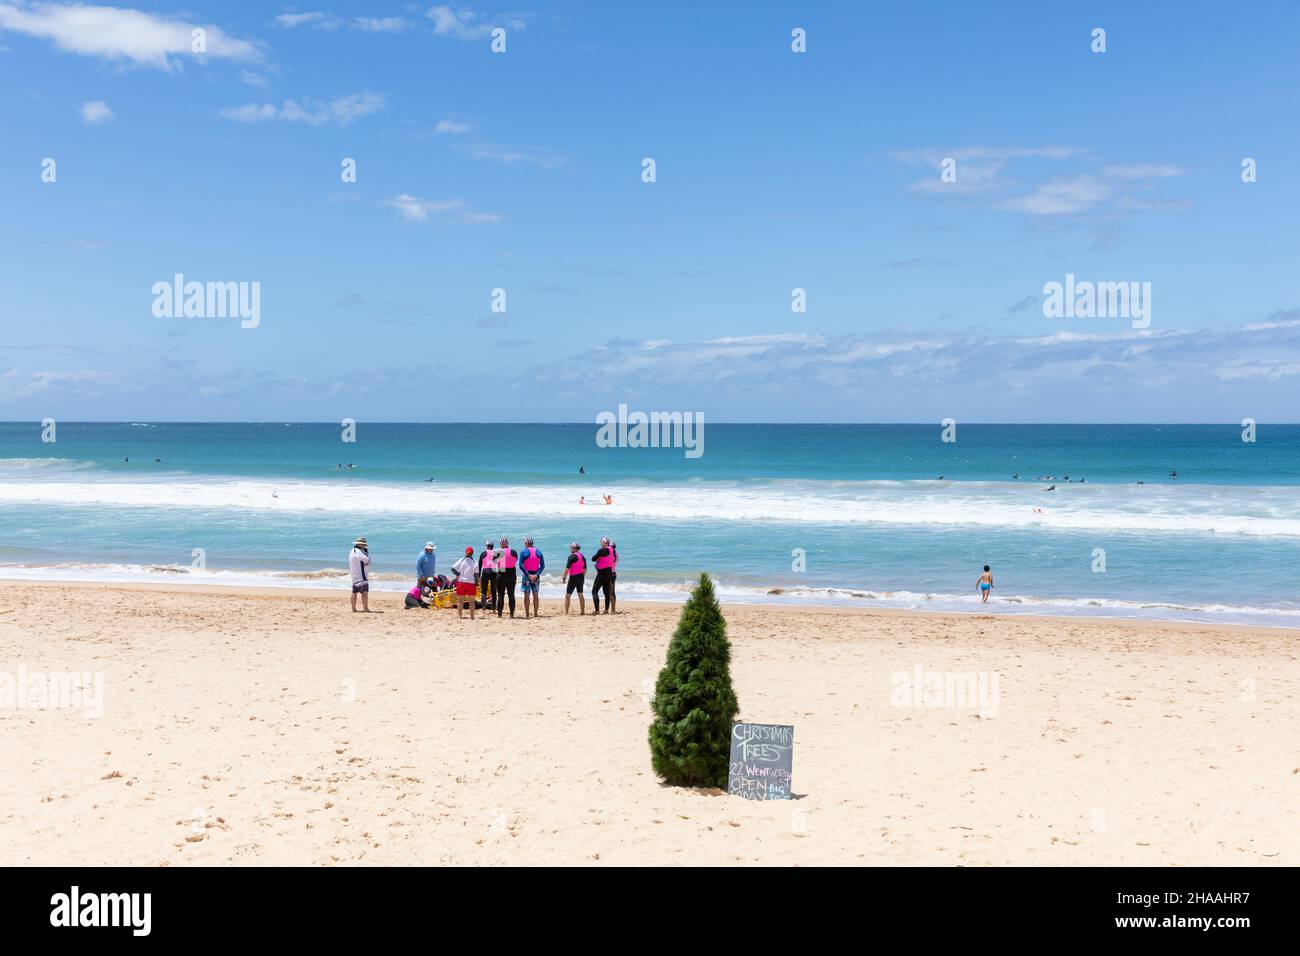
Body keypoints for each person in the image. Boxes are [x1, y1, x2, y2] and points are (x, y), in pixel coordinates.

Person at [519, 537, 544, 618]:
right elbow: (543, 566)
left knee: (526, 595)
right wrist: (536, 575)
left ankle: (527, 614)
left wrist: (527, 575)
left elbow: (520, 565)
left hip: (527, 576)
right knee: (535, 595)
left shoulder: (523, 552)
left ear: (526, 544)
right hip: (536, 576)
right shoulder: (539, 552)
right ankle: (536, 614)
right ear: (532, 544)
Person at [451, 546, 479, 620]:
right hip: (471, 583)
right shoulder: (475, 562)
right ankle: (472, 617)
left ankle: (460, 617)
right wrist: (477, 583)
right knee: (472, 602)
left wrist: (458, 574)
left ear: (465, 552)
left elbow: (452, 568)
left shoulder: (461, 560)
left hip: (461, 583)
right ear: (472, 553)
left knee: (460, 601)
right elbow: (476, 575)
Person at [590, 536, 616, 614]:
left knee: (594, 591)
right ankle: (606, 610)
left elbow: (593, 559)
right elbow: (614, 560)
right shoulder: (613, 550)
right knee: (606, 592)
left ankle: (597, 611)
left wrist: (599, 557)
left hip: (602, 572)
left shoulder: (602, 550)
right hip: (609, 572)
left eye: (601, 543)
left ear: (603, 543)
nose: (601, 544)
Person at [495, 536, 519, 618]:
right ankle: (511, 614)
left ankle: (500, 615)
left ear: (501, 543)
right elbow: (515, 561)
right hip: (511, 574)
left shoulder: (498, 552)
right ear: (507, 543)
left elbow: (495, 564)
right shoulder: (514, 552)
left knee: (500, 595)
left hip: (501, 574)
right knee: (511, 595)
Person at [563, 542, 586, 615]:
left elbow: (567, 568)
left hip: (573, 577)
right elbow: (585, 569)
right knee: (580, 595)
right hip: (581, 577)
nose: (570, 549)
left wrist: (564, 577)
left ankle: (566, 612)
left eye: (571, 547)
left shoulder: (571, 556)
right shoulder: (582, 556)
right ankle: (582, 611)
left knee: (568, 595)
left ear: (573, 548)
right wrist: (583, 577)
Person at [349, 536, 371, 612]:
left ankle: (354, 609)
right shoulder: (358, 552)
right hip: (361, 575)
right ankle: (366, 609)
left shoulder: (353, 550)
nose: (364, 546)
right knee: (364, 592)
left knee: (354, 592)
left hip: (355, 574)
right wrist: (367, 555)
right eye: (364, 544)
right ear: (360, 544)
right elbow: (367, 561)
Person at [478, 539, 499, 612]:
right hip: (493, 571)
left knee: (484, 591)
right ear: (493, 546)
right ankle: (494, 609)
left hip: (485, 572)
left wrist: (478, 576)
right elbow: (499, 565)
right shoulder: (496, 553)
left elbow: (479, 566)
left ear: (487, 546)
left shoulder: (483, 553)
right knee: (493, 591)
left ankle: (483, 608)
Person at [608, 540, 619, 613]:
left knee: (609, 592)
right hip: (614, 573)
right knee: (612, 592)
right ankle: (613, 609)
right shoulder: (616, 553)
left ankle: (609, 609)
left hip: (609, 574)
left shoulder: (610, 553)